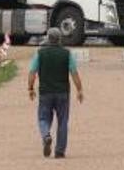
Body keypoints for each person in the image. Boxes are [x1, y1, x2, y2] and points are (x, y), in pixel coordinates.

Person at [29, 27, 84, 158]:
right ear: (60, 39)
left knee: (43, 118)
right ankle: (60, 150)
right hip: (63, 92)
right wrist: (79, 89)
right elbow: (74, 73)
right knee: (63, 121)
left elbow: (32, 72)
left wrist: (30, 88)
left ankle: (46, 135)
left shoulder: (40, 53)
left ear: (48, 38)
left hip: (45, 92)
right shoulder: (67, 53)